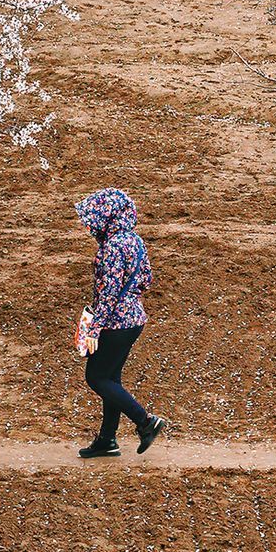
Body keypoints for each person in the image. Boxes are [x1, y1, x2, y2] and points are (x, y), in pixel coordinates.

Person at [75, 187, 168, 458]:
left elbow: (110, 291)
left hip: (116, 323)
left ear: (108, 216)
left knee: (96, 377)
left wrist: (95, 327)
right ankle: (107, 440)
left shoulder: (113, 247)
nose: (90, 224)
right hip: (134, 318)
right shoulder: (134, 240)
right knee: (111, 378)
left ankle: (146, 422)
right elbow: (147, 279)